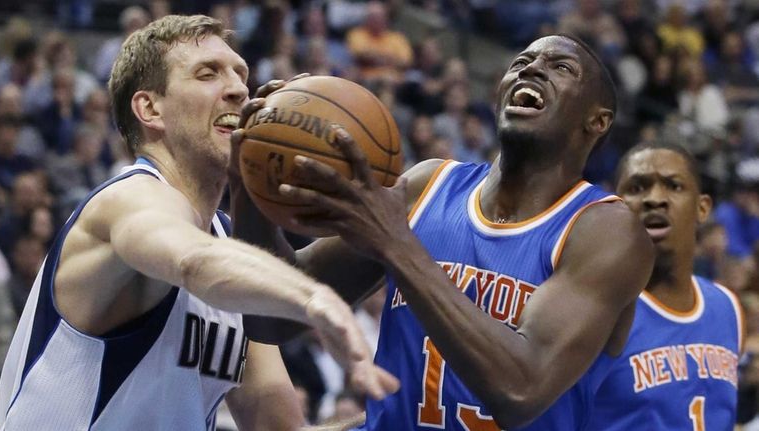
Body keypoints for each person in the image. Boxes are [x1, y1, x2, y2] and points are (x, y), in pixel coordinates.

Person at [232, 34, 654, 429]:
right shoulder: (426, 187)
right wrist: (250, 181)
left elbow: (520, 390)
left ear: (597, 122)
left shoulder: (606, 230)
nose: (532, 69)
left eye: (561, 67)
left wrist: (398, 245)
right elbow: (270, 321)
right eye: (521, 62)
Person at [0, 15, 397, 431]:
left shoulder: (229, 252)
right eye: (208, 74)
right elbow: (191, 260)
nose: (240, 89)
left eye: (241, 74)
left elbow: (280, 429)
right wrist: (315, 298)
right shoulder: (127, 199)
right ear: (150, 108)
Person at [585, 142, 743, 429]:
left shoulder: (727, 306)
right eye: (637, 187)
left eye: (674, 186)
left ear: (703, 207)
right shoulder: (592, 312)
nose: (655, 199)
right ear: (615, 207)